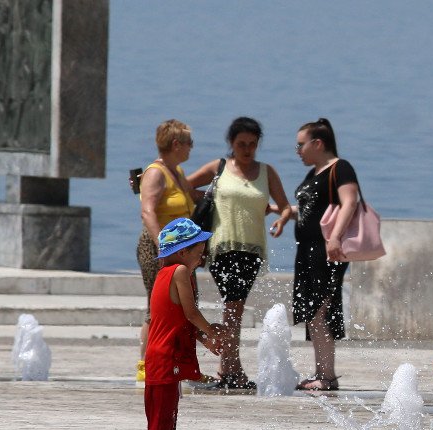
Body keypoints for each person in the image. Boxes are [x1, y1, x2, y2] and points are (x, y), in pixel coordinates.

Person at [187, 117, 292, 390]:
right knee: (233, 308)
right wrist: (207, 197)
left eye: (252, 144)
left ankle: (229, 367)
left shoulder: (266, 172)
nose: (246, 149)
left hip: (252, 249)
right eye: (241, 144)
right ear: (231, 143)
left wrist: (279, 219)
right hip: (222, 247)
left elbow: (285, 206)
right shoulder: (219, 167)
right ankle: (231, 369)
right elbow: (185, 186)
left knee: (234, 309)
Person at [136, 217, 223, 430]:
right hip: (165, 356)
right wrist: (212, 330)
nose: (202, 254)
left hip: (159, 354)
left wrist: (203, 340)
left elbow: (174, 320)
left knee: (164, 420)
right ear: (183, 250)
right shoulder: (180, 271)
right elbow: (190, 312)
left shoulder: (164, 274)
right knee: (163, 421)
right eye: (199, 249)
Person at [287, 118, 359, 391]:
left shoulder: (340, 168)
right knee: (312, 310)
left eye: (300, 144)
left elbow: (349, 201)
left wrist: (336, 237)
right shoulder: (314, 173)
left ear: (317, 143)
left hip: (326, 250)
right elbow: (311, 211)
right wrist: (281, 212)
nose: (298, 151)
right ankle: (321, 371)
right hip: (307, 250)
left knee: (322, 309)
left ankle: (327, 376)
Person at [135, 119, 206, 383]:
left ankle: (177, 362)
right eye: (189, 143)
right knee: (158, 307)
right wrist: (162, 246)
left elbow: (191, 197)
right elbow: (148, 211)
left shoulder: (177, 171)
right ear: (177, 144)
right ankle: (146, 365)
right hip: (160, 248)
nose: (191, 148)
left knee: (182, 304)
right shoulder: (156, 172)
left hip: (182, 250)